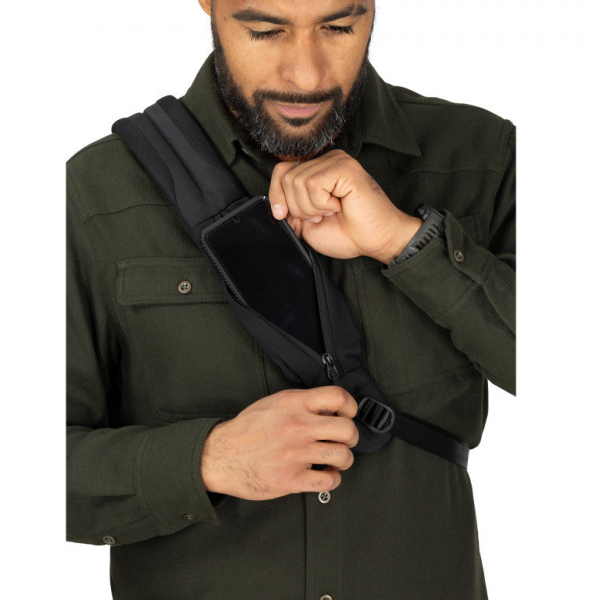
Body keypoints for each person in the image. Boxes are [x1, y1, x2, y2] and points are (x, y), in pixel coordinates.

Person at [66, 1, 515, 598]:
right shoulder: (95, 192)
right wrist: (207, 460)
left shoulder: (482, 158)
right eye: (265, 30)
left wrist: (407, 243)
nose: (305, 75)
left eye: (339, 26)